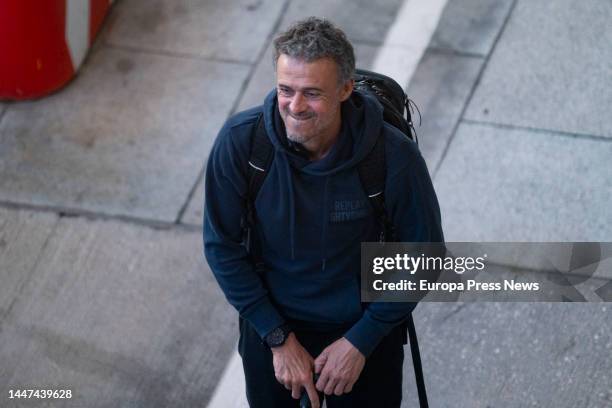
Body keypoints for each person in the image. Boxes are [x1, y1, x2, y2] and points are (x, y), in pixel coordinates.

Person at [204, 17, 443, 408]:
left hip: (362, 332)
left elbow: (424, 256)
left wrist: (362, 341)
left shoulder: (392, 157)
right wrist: (278, 339)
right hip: (272, 327)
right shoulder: (242, 144)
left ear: (345, 89)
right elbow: (221, 246)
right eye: (286, 90)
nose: (295, 107)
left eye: (312, 93)